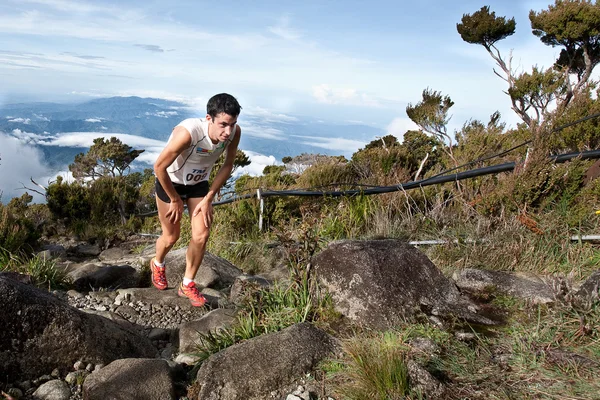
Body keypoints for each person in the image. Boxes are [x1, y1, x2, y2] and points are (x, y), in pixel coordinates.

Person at [151, 93, 242, 306]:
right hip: (170, 182)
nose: (228, 131)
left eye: (233, 124)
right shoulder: (188, 133)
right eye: (223, 124)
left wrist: (210, 195)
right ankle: (158, 263)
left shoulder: (234, 133)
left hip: (198, 184)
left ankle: (187, 283)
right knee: (171, 236)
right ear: (209, 118)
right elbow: (159, 167)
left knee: (201, 235)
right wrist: (174, 199)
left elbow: (228, 164)